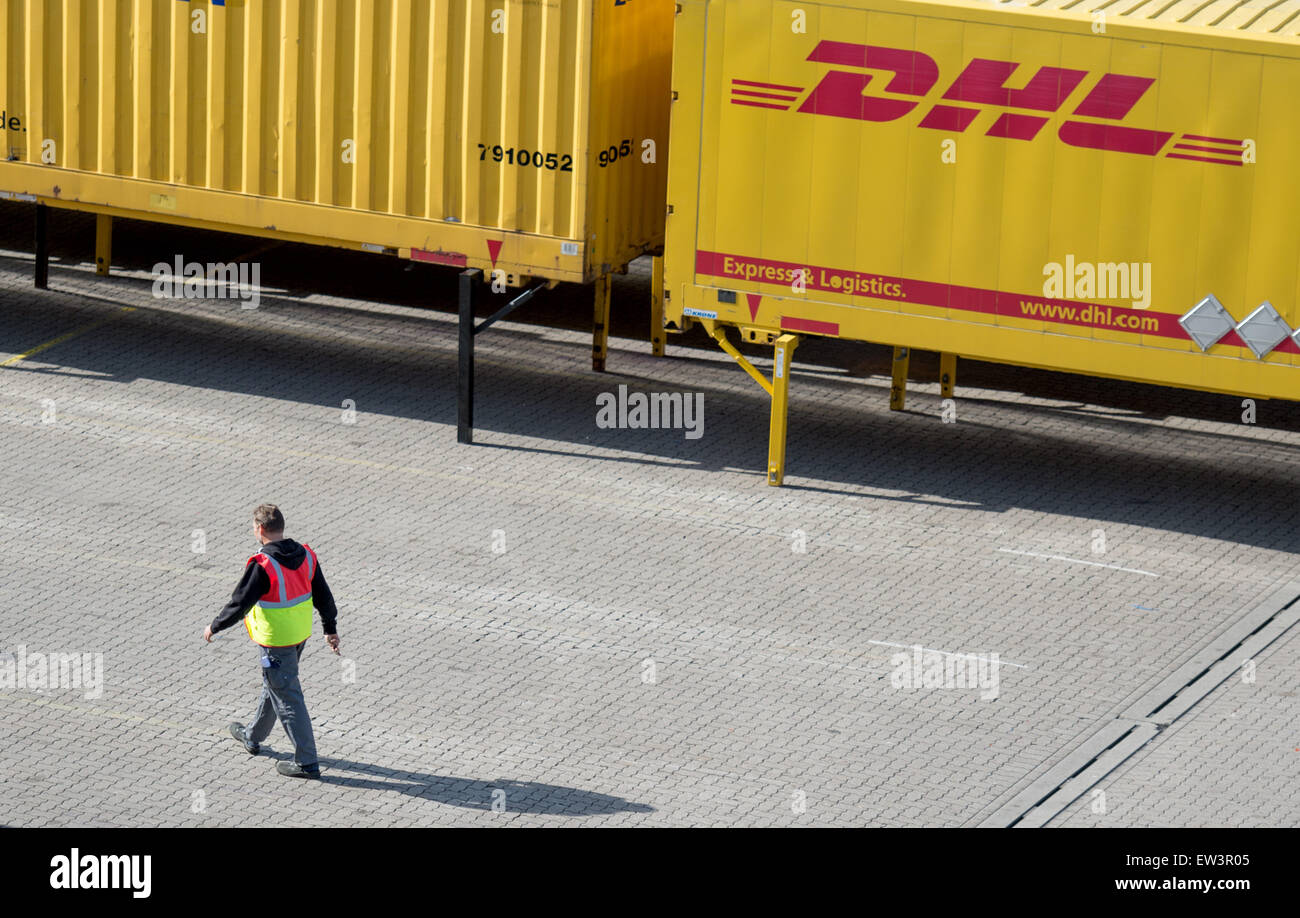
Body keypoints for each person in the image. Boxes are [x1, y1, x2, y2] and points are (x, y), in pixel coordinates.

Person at [203, 504, 340, 778]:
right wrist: (330, 628)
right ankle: (253, 736)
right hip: (299, 636)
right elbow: (324, 595)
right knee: (277, 684)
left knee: (288, 696)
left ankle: (307, 762)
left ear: (260, 529)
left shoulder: (263, 565)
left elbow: (239, 603)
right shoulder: (306, 555)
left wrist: (215, 626)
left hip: (276, 641)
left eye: (254, 527)